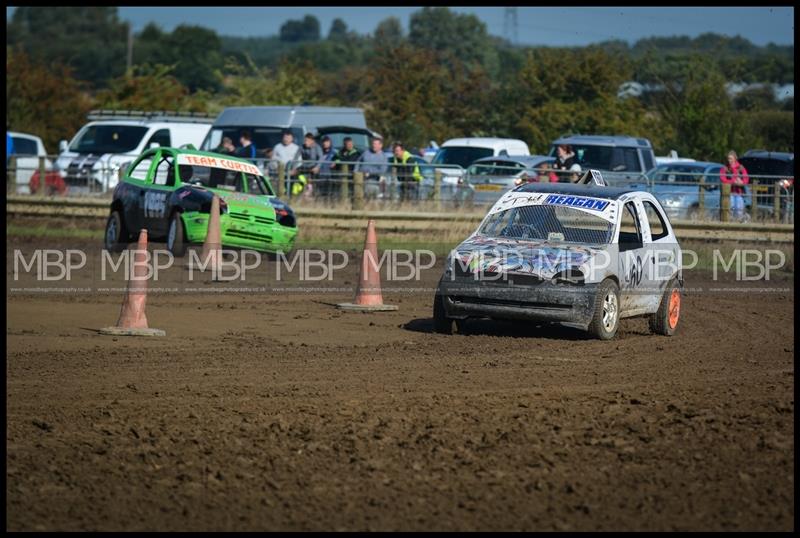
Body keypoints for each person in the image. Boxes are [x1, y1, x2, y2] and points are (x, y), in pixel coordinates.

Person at [720, 150, 749, 221]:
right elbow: (722, 178)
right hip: (729, 193)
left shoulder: (741, 168)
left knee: (739, 209)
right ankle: (731, 222)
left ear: (735, 159)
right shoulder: (725, 168)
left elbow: (746, 179)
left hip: (739, 193)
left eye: (731, 158)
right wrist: (733, 182)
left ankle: (739, 223)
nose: (729, 160)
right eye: (728, 158)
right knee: (730, 208)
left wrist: (741, 183)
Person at [294, 133, 323, 197]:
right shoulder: (302, 147)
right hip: (304, 167)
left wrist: (317, 167)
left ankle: (309, 193)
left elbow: (321, 158)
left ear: (312, 141)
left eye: (307, 140)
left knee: (311, 182)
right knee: (296, 179)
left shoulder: (317, 147)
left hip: (313, 168)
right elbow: (296, 158)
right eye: (305, 140)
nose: (305, 142)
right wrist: (294, 168)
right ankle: (295, 195)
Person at [316, 135, 337, 199]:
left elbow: (339, 159)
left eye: (327, 142)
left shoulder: (334, 152)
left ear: (330, 142)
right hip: (320, 176)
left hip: (330, 176)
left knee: (330, 193)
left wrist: (335, 162)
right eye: (324, 142)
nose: (325, 143)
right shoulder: (319, 152)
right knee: (320, 194)